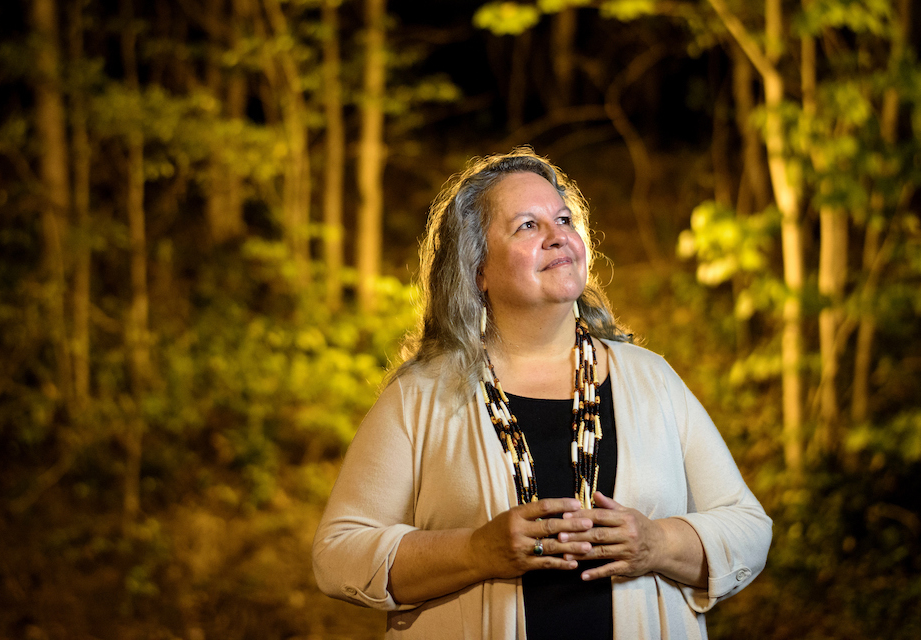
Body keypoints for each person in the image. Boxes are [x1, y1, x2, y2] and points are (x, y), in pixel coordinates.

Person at [312, 148, 772, 639]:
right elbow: (338, 553)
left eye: (563, 218)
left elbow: (748, 529)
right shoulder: (421, 397)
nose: (558, 236)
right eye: (527, 226)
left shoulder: (651, 380)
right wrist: (476, 552)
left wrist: (657, 543)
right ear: (477, 269)